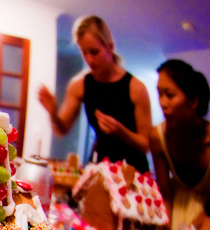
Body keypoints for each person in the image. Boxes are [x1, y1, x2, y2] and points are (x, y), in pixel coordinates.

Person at [38, 15, 151, 172]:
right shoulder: (79, 85)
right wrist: (52, 112)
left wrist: (120, 130)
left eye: (94, 52)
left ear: (110, 47)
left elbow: (146, 145)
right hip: (100, 166)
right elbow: (61, 130)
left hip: (133, 170)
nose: (89, 59)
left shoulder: (136, 88)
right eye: (84, 53)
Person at [149, 60, 210, 230]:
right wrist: (165, 229)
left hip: (209, 219)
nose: (163, 103)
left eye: (170, 95)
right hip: (173, 212)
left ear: (193, 101)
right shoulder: (158, 137)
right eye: (159, 94)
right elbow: (165, 193)